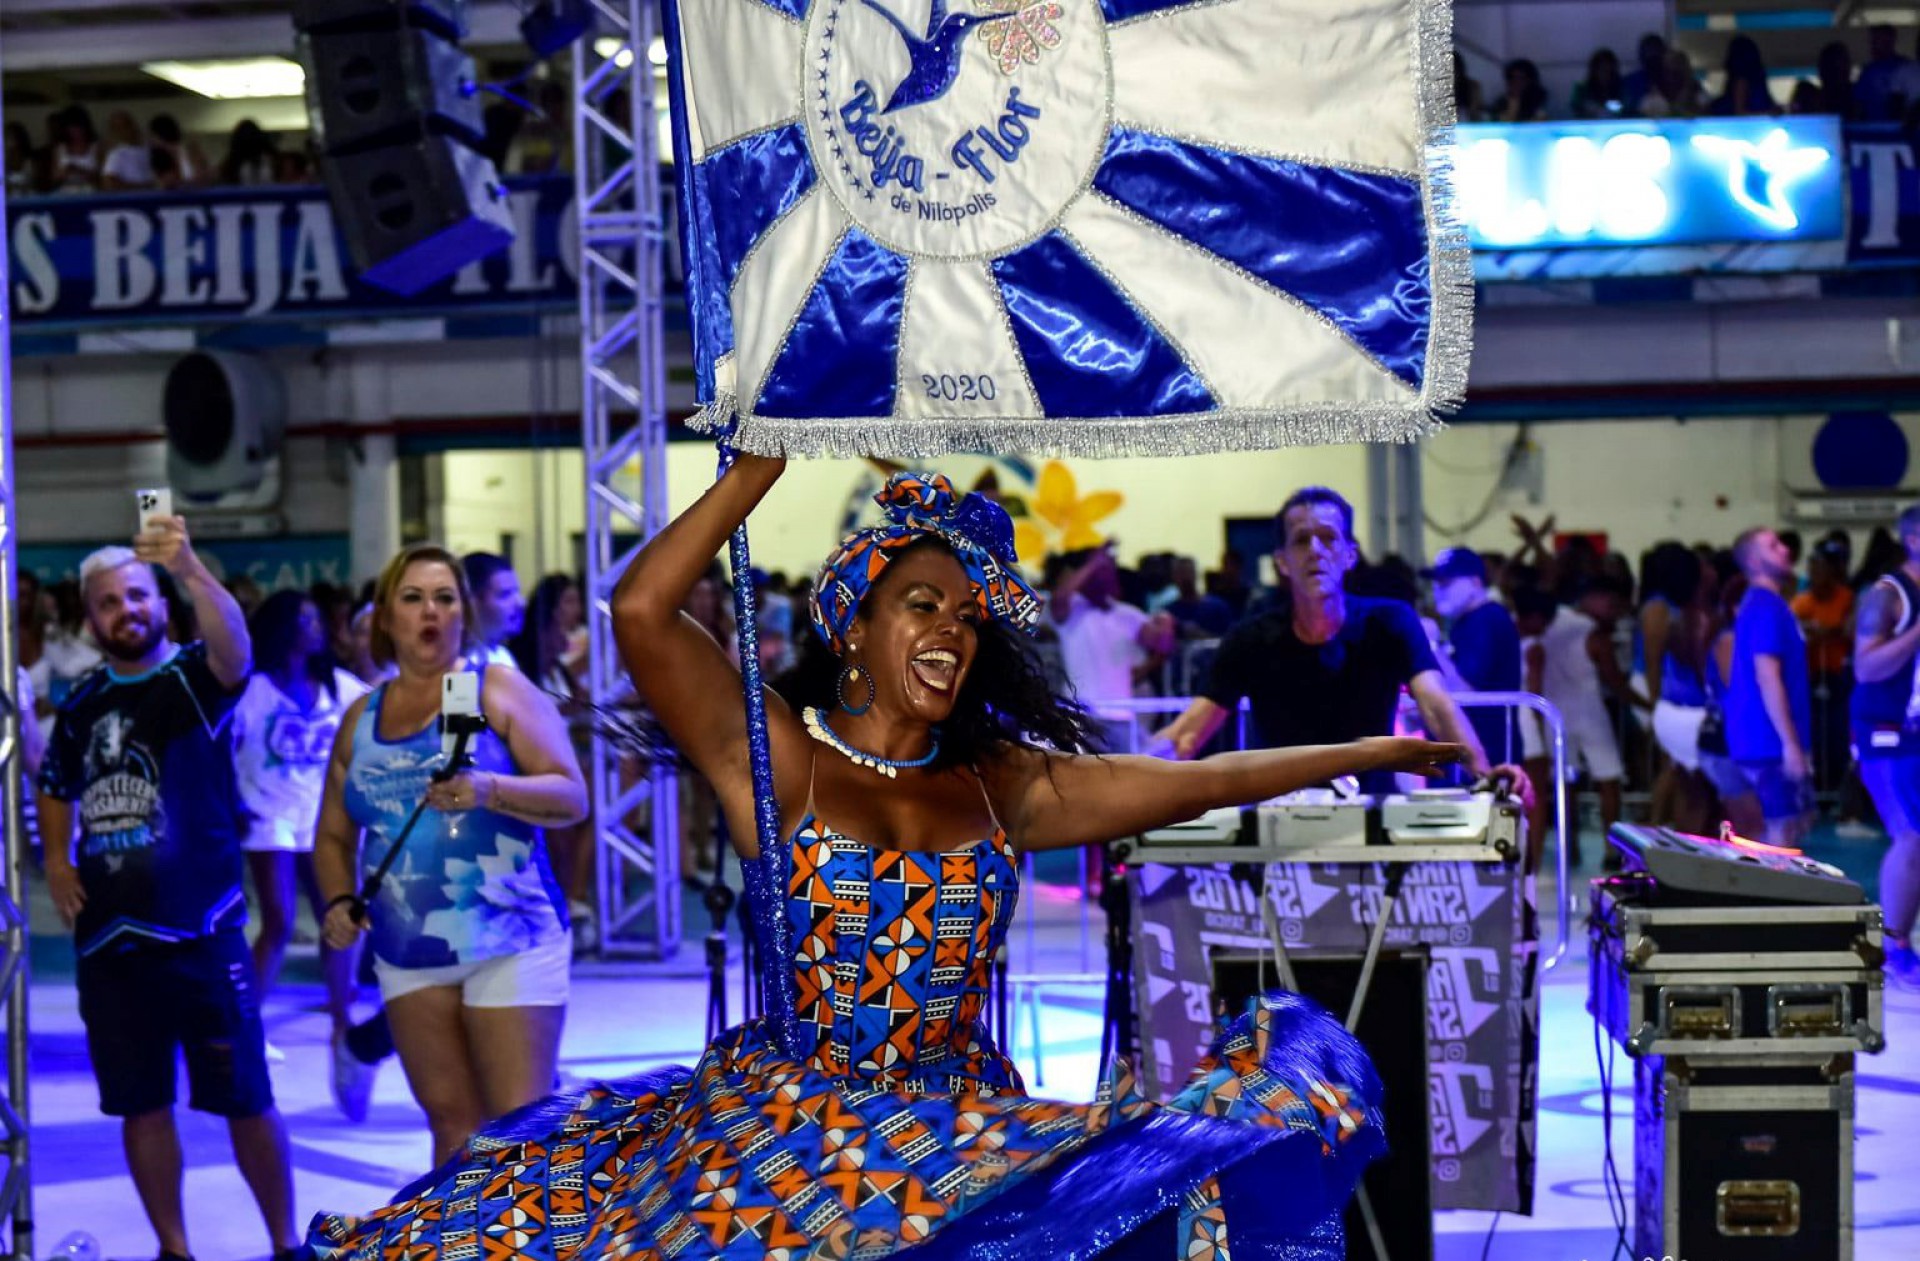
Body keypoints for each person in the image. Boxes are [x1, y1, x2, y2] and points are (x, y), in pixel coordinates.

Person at [312, 463, 1462, 1257]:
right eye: (923, 605)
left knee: (1184, 1173)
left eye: (968, 619)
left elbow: (1199, 780)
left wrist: (1379, 747)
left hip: (957, 1134)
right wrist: (758, 470)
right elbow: (645, 609)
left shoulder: (1003, 781)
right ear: (854, 628)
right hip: (793, 1139)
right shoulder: (777, 760)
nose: (952, 632)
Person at [35, 520, 302, 1261]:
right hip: (110, 941)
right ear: (91, 620)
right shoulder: (83, 702)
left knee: (248, 1098)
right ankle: (174, 1249)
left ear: (160, 603)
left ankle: (285, 1244)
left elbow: (237, 651)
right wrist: (56, 859)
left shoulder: (194, 677)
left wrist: (188, 567)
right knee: (141, 1106)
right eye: (109, 602)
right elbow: (54, 783)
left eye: (136, 595)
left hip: (202, 931)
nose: (125, 610)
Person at [313, 544, 586, 1164]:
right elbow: (332, 836)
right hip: (408, 952)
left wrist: (492, 789)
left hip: (511, 938)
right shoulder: (360, 718)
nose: (430, 612)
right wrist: (337, 900)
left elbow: (572, 796)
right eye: (413, 599)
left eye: (445, 598)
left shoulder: (498, 689)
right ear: (386, 617)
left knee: (516, 1133)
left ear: (464, 612)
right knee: (451, 1129)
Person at [1155, 488, 1519, 798]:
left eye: (1328, 537)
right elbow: (1187, 733)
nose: (1315, 549)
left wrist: (1484, 774)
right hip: (1279, 818)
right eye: (1301, 540)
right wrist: (1129, 775)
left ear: (1349, 554)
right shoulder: (1250, 639)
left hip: (1372, 814)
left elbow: (1437, 706)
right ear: (1282, 561)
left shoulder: (1390, 622)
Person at [231, 591, 371, 1071]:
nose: (316, 626)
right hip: (268, 817)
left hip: (323, 817)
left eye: (316, 618)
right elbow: (222, 748)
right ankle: (244, 1029)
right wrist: (234, 803)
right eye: (305, 618)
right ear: (282, 626)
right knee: (280, 922)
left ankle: (342, 1024)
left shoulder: (340, 687)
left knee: (342, 918)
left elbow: (378, 719)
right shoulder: (253, 690)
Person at [1851, 504, 1920, 990]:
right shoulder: (1888, 595)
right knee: (1910, 835)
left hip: (1913, 727)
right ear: (1913, 541)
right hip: (1887, 730)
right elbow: (1866, 667)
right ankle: (1892, 947)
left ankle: (1899, 943)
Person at [1537, 575, 1640, 863]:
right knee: (1609, 778)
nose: (1614, 612)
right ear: (1594, 598)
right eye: (1611, 605)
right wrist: (1646, 704)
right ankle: (1611, 849)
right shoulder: (1593, 632)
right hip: (1590, 712)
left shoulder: (1550, 621)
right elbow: (1613, 679)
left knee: (1564, 784)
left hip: (1555, 714)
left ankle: (1569, 845)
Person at [1724, 528, 1814, 845]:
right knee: (1782, 833)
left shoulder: (1768, 605)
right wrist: (1789, 744)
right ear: (1753, 561)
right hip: (1768, 742)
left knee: (1793, 824)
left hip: (1765, 739)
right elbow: (1767, 676)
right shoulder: (1766, 607)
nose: (1785, 550)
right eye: (1773, 546)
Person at [1050, 546, 1175, 751]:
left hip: (1121, 715)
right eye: (1098, 573)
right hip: (1081, 715)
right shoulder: (1072, 610)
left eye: (1108, 572)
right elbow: (1060, 597)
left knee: (1132, 768)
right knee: (1085, 770)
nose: (1104, 577)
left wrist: (1167, 624)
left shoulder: (1127, 614)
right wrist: (1094, 562)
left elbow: (1162, 644)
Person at [1428, 547, 1534, 771]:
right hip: (1476, 748)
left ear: (1475, 583)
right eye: (1436, 583)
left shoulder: (1486, 620)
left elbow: (1464, 688)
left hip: (1486, 751)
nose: (1438, 590)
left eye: (1446, 582)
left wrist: (1432, 644)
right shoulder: (1468, 621)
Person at [1794, 536, 1855, 796]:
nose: (1815, 576)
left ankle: (1837, 785)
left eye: (1820, 570)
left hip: (1838, 674)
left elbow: (1849, 629)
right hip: (1811, 675)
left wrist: (1829, 631)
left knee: (1837, 730)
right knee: (1814, 730)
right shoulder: (1802, 602)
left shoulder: (1846, 597)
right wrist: (1812, 630)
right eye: (1812, 571)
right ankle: (1815, 783)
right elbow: (1794, 629)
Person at [460, 551, 526, 669]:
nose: (520, 603)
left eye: (517, 592)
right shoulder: (461, 662)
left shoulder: (502, 654)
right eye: (505, 595)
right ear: (472, 603)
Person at [1856, 23, 1915, 122]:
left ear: (1890, 41)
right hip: (1873, 127)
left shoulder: (1907, 68)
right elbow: (1859, 105)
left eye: (1876, 41)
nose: (1872, 45)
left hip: (1903, 127)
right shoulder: (1868, 71)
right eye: (1872, 41)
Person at [1711, 36, 1779, 116]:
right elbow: (1740, 112)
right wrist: (1768, 114)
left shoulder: (1747, 82)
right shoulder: (1744, 82)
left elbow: (1740, 111)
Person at [47, 106, 102, 193]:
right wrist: (65, 172)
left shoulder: (97, 147)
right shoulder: (59, 149)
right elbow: (54, 178)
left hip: (91, 191)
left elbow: (101, 176)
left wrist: (79, 170)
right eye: (72, 127)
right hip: (65, 191)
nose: (76, 131)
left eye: (79, 127)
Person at [148, 114, 209, 188]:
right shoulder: (159, 158)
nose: (150, 140)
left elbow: (203, 175)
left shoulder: (191, 149)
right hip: (178, 194)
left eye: (152, 135)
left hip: (199, 192)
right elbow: (165, 183)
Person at [101, 109, 154, 190]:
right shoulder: (116, 154)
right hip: (135, 196)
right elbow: (109, 183)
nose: (125, 130)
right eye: (119, 128)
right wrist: (143, 187)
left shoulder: (149, 148)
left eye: (126, 125)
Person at [1572, 48, 1625, 117]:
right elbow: (1575, 109)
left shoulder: (1622, 88)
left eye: (1608, 71)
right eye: (1602, 69)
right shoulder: (1581, 88)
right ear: (1594, 70)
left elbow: (1624, 109)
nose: (1605, 75)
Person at [1621, 32, 1666, 114]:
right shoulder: (1629, 81)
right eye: (1649, 51)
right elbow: (1625, 110)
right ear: (1641, 55)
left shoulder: (1672, 79)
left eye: (1656, 51)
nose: (1652, 54)